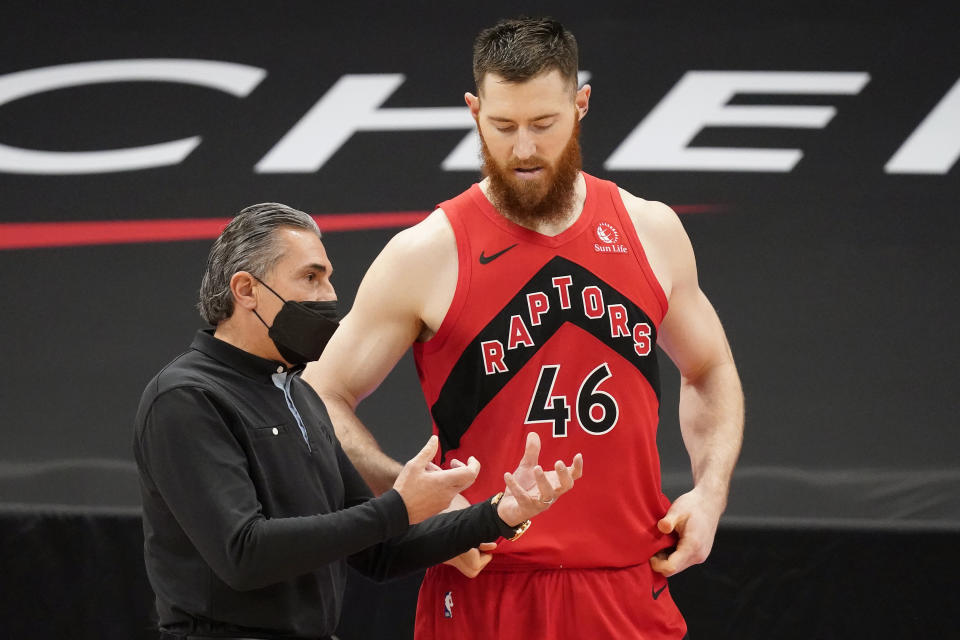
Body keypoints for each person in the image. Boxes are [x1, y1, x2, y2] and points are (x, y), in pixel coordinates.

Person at [304, 17, 744, 640]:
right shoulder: (428, 253)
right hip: (487, 589)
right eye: (503, 126)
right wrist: (417, 503)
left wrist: (711, 490)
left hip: (625, 584)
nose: (524, 150)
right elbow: (319, 394)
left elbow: (709, 369)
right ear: (474, 110)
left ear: (580, 104)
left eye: (543, 124)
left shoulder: (652, 231)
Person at [132, 202, 583, 640]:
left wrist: (500, 514)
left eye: (329, 278)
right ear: (246, 290)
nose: (329, 296)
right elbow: (245, 554)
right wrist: (399, 507)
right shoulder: (187, 397)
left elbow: (379, 552)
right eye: (310, 277)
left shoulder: (298, 394)